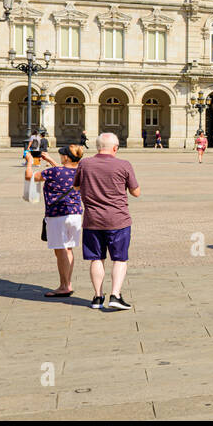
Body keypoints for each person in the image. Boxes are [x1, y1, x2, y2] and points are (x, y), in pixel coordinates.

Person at [73, 133, 141, 310]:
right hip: (118, 219)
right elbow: (136, 192)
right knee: (119, 259)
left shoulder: (85, 163)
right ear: (115, 148)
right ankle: (115, 295)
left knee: (96, 258)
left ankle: (97, 297)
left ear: (97, 147)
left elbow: (76, 186)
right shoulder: (123, 164)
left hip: (92, 220)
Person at [27, 144, 84, 298]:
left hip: (58, 215)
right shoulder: (80, 171)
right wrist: (51, 160)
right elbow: (64, 173)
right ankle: (68, 283)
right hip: (76, 215)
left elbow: (30, 177)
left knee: (61, 250)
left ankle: (64, 286)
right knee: (69, 249)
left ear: (65, 157)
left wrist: (29, 162)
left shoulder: (53, 172)